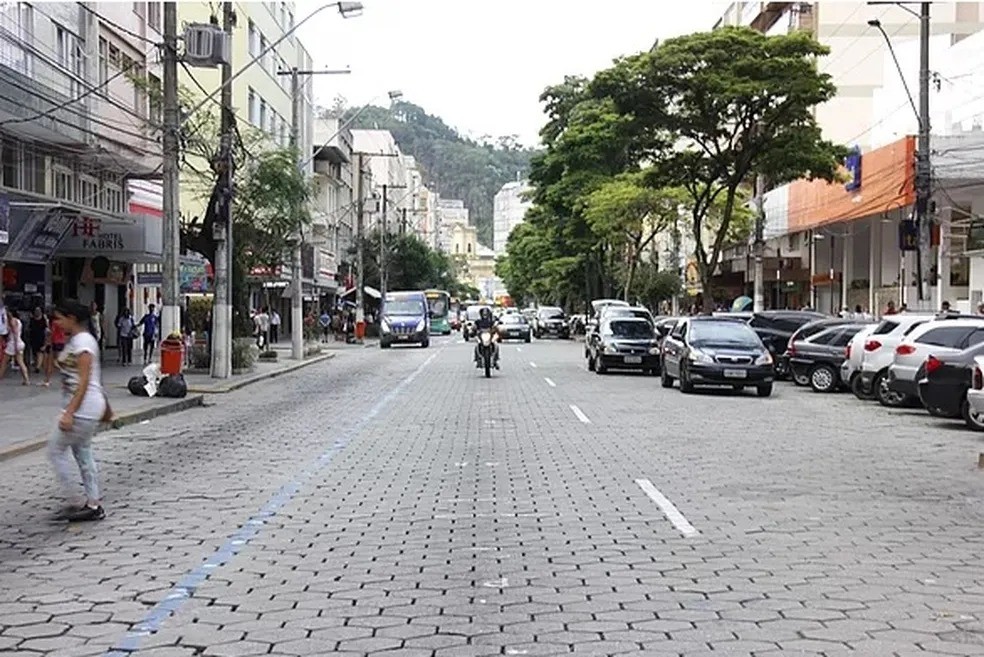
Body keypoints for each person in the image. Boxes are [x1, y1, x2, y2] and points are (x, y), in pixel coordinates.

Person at [48, 300, 107, 522]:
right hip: (86, 405)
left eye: (59, 318)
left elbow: (84, 381)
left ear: (71, 318)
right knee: (83, 453)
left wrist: (70, 412)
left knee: (55, 450)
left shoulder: (83, 342)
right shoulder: (78, 340)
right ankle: (92, 503)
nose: (57, 323)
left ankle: (74, 500)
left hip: (83, 407)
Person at [0, 304, 29, 385]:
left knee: (4, 362)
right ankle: (26, 379)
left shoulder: (12, 321)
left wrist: (15, 346)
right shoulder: (18, 321)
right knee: (20, 362)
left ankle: (0, 376)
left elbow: (15, 333)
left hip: (13, 344)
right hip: (19, 342)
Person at [27, 306, 48, 373]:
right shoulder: (32, 319)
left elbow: (46, 329)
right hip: (33, 337)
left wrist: (46, 340)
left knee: (40, 352)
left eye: (38, 310)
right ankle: (37, 365)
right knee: (35, 352)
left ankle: (38, 367)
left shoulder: (43, 319)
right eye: (36, 310)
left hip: (40, 337)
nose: (37, 312)